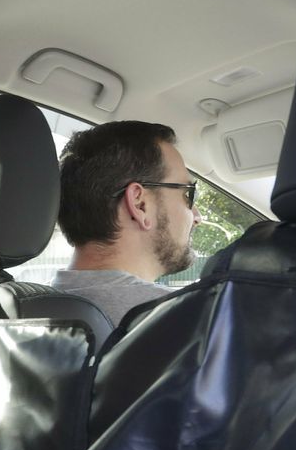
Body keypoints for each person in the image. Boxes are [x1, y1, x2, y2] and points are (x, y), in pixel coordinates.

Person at [51, 120, 203, 328]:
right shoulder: (190, 319)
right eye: (187, 194)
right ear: (140, 204)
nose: (197, 216)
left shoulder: (27, 308)